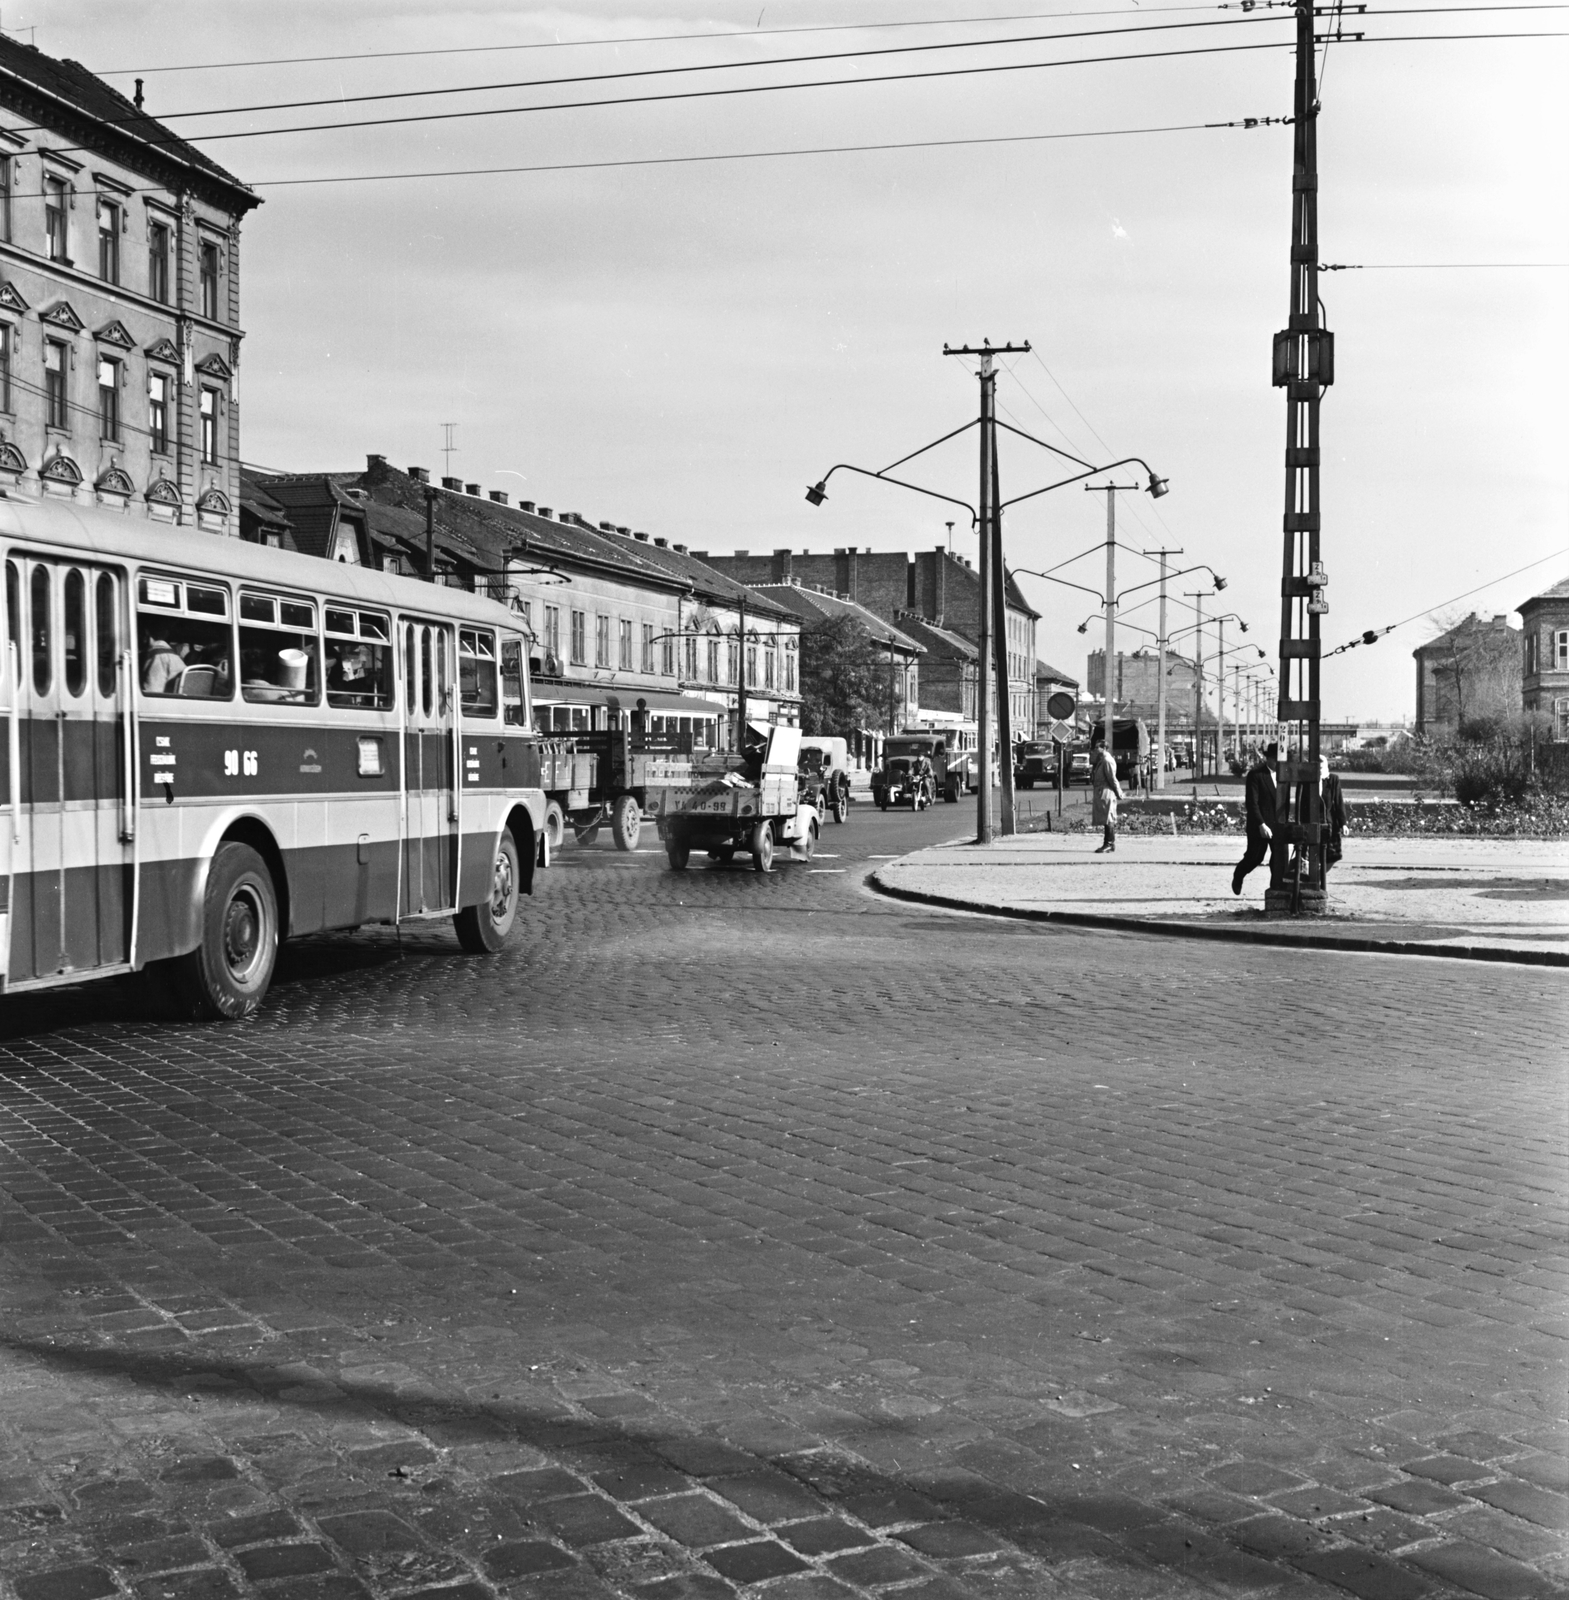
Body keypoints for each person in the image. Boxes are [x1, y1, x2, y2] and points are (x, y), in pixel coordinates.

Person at [1232, 741, 1287, 895]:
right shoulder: (1256, 775)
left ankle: (1275, 888)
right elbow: (1252, 803)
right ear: (1268, 758)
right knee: (1255, 857)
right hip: (1259, 824)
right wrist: (1261, 824)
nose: (1278, 763)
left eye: (1281, 760)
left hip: (1278, 825)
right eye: (1276, 759)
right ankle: (1239, 875)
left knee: (1279, 859)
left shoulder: (1284, 776)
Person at [1091, 738, 1123, 853]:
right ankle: (1110, 843)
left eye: (1097, 747)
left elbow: (1112, 778)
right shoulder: (1103, 759)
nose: (1095, 749)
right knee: (1107, 818)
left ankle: (1108, 843)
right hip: (1102, 791)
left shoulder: (1107, 761)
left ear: (1104, 748)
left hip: (1106, 791)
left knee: (1108, 818)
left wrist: (1119, 792)